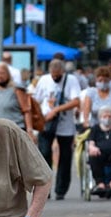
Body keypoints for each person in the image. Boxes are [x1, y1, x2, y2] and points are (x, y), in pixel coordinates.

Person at [33, 58, 82, 200]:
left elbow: (76, 101)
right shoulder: (44, 80)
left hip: (65, 124)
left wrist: (57, 109)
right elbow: (36, 100)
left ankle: (61, 189)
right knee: (44, 154)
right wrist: (40, 116)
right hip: (46, 123)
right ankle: (45, 189)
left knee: (65, 157)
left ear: (62, 72)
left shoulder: (71, 80)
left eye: (57, 75)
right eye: (53, 75)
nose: (55, 78)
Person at [0, 62, 35, 142]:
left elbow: (26, 110)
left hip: (16, 131)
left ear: (8, 74)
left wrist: (29, 130)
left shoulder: (17, 89)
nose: (0, 76)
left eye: (2, 73)